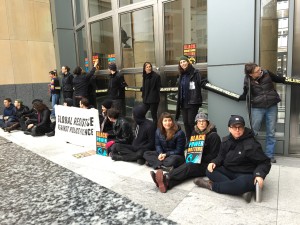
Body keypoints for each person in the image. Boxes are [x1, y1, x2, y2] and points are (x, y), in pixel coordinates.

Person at [193, 115, 271, 203]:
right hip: (228, 170)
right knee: (209, 170)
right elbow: (220, 156)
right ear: (229, 129)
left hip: (245, 174)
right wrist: (214, 162)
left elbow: (265, 162)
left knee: (243, 183)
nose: (237, 130)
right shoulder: (226, 141)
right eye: (234, 127)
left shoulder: (252, 144)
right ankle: (241, 191)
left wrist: (259, 175)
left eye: (240, 127)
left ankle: (210, 185)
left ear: (243, 128)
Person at [150, 112, 221, 193]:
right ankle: (167, 184)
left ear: (207, 123)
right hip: (196, 160)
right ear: (196, 123)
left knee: (188, 166)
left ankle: (166, 177)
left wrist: (198, 157)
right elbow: (191, 147)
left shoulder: (214, 136)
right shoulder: (195, 132)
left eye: (203, 121)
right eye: (199, 121)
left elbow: (214, 155)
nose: (201, 123)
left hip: (207, 164)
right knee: (186, 172)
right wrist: (190, 152)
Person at [239, 63, 286, 163]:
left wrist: (292, 80)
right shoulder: (247, 79)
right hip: (257, 107)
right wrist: (241, 97)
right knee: (254, 131)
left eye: (260, 69)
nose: (260, 71)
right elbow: (245, 91)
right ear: (251, 74)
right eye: (257, 71)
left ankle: (269, 155)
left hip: (272, 105)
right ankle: (251, 153)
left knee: (271, 132)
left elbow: (279, 79)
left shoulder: (267, 73)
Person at [175, 55, 208, 141]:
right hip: (183, 103)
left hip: (193, 102)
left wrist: (206, 83)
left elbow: (202, 81)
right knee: (185, 123)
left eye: (184, 62)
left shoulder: (195, 72)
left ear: (188, 62)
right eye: (181, 62)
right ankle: (189, 141)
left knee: (191, 122)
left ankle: (195, 141)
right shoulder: (181, 75)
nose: (183, 64)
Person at [141, 62, 161, 126]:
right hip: (146, 99)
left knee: (153, 116)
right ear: (144, 69)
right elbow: (145, 86)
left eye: (150, 66)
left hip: (153, 100)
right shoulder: (144, 76)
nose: (149, 68)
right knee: (141, 113)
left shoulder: (156, 76)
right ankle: (145, 127)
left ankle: (154, 130)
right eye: (147, 67)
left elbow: (159, 87)